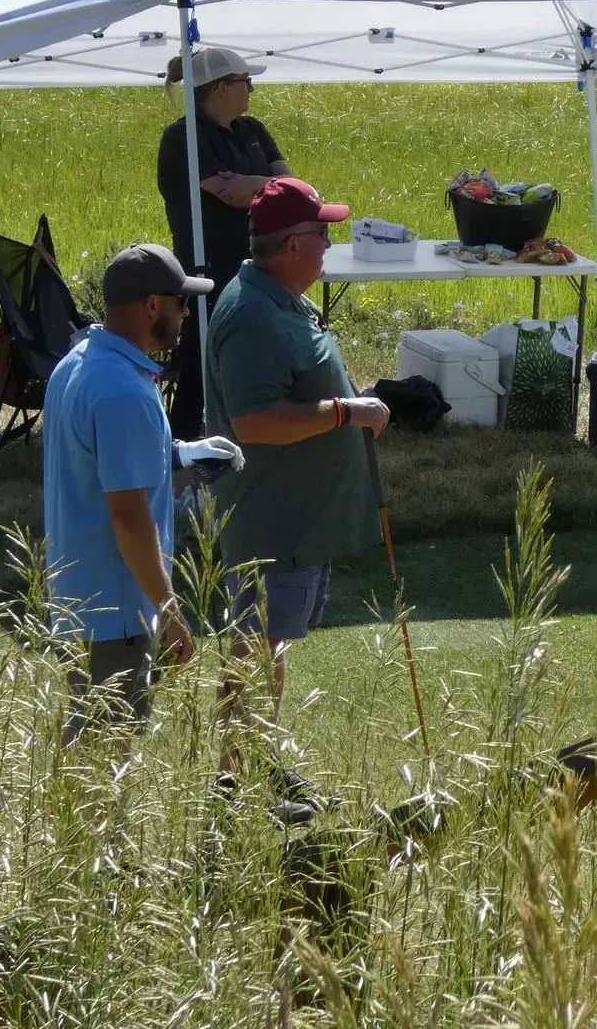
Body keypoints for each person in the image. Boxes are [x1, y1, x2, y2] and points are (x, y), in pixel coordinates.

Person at [203, 179, 391, 778]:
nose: (329, 245)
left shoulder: (276, 297)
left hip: (296, 520)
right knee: (255, 648)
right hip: (272, 522)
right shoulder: (252, 315)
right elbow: (254, 422)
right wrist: (345, 411)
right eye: (321, 235)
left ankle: (255, 763)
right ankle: (234, 783)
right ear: (290, 245)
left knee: (270, 645)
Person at [41, 244, 244, 745]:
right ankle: (88, 830)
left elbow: (98, 463)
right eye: (180, 301)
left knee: (87, 737)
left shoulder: (78, 364)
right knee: (101, 752)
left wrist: (180, 454)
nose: (186, 313)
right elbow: (129, 517)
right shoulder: (124, 392)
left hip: (78, 596)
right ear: (153, 305)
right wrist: (170, 611)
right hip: (118, 607)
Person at [156, 45, 294, 439]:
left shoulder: (253, 130)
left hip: (260, 264)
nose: (252, 88)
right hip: (208, 268)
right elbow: (228, 194)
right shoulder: (183, 138)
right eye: (245, 81)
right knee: (202, 361)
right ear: (219, 88)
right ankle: (182, 442)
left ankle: (249, 427)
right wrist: (266, 186)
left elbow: (291, 186)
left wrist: (252, 184)